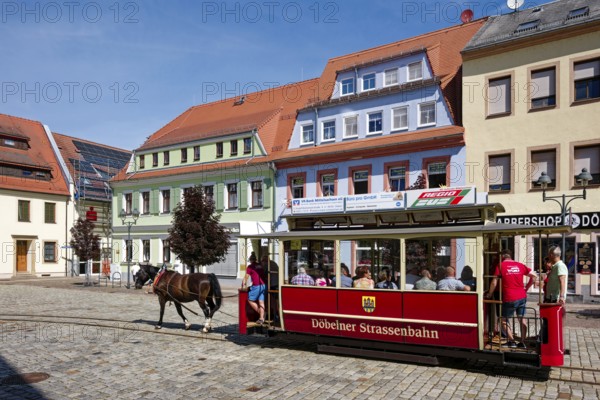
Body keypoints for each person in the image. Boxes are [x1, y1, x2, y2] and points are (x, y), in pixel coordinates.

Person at [485, 249, 536, 349]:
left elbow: (494, 282)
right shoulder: (520, 265)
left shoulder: (500, 265)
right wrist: (527, 288)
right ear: (511, 256)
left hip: (510, 297)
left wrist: (490, 294)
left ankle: (512, 341)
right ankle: (522, 342)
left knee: (503, 321)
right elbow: (534, 276)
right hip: (522, 296)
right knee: (522, 319)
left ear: (502, 257)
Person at [241, 252, 266, 325]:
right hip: (264, 285)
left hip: (257, 285)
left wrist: (243, 285)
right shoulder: (260, 265)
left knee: (250, 299)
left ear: (250, 260)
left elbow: (246, 277)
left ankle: (262, 314)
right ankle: (261, 318)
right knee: (261, 302)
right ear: (256, 259)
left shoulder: (250, 267)